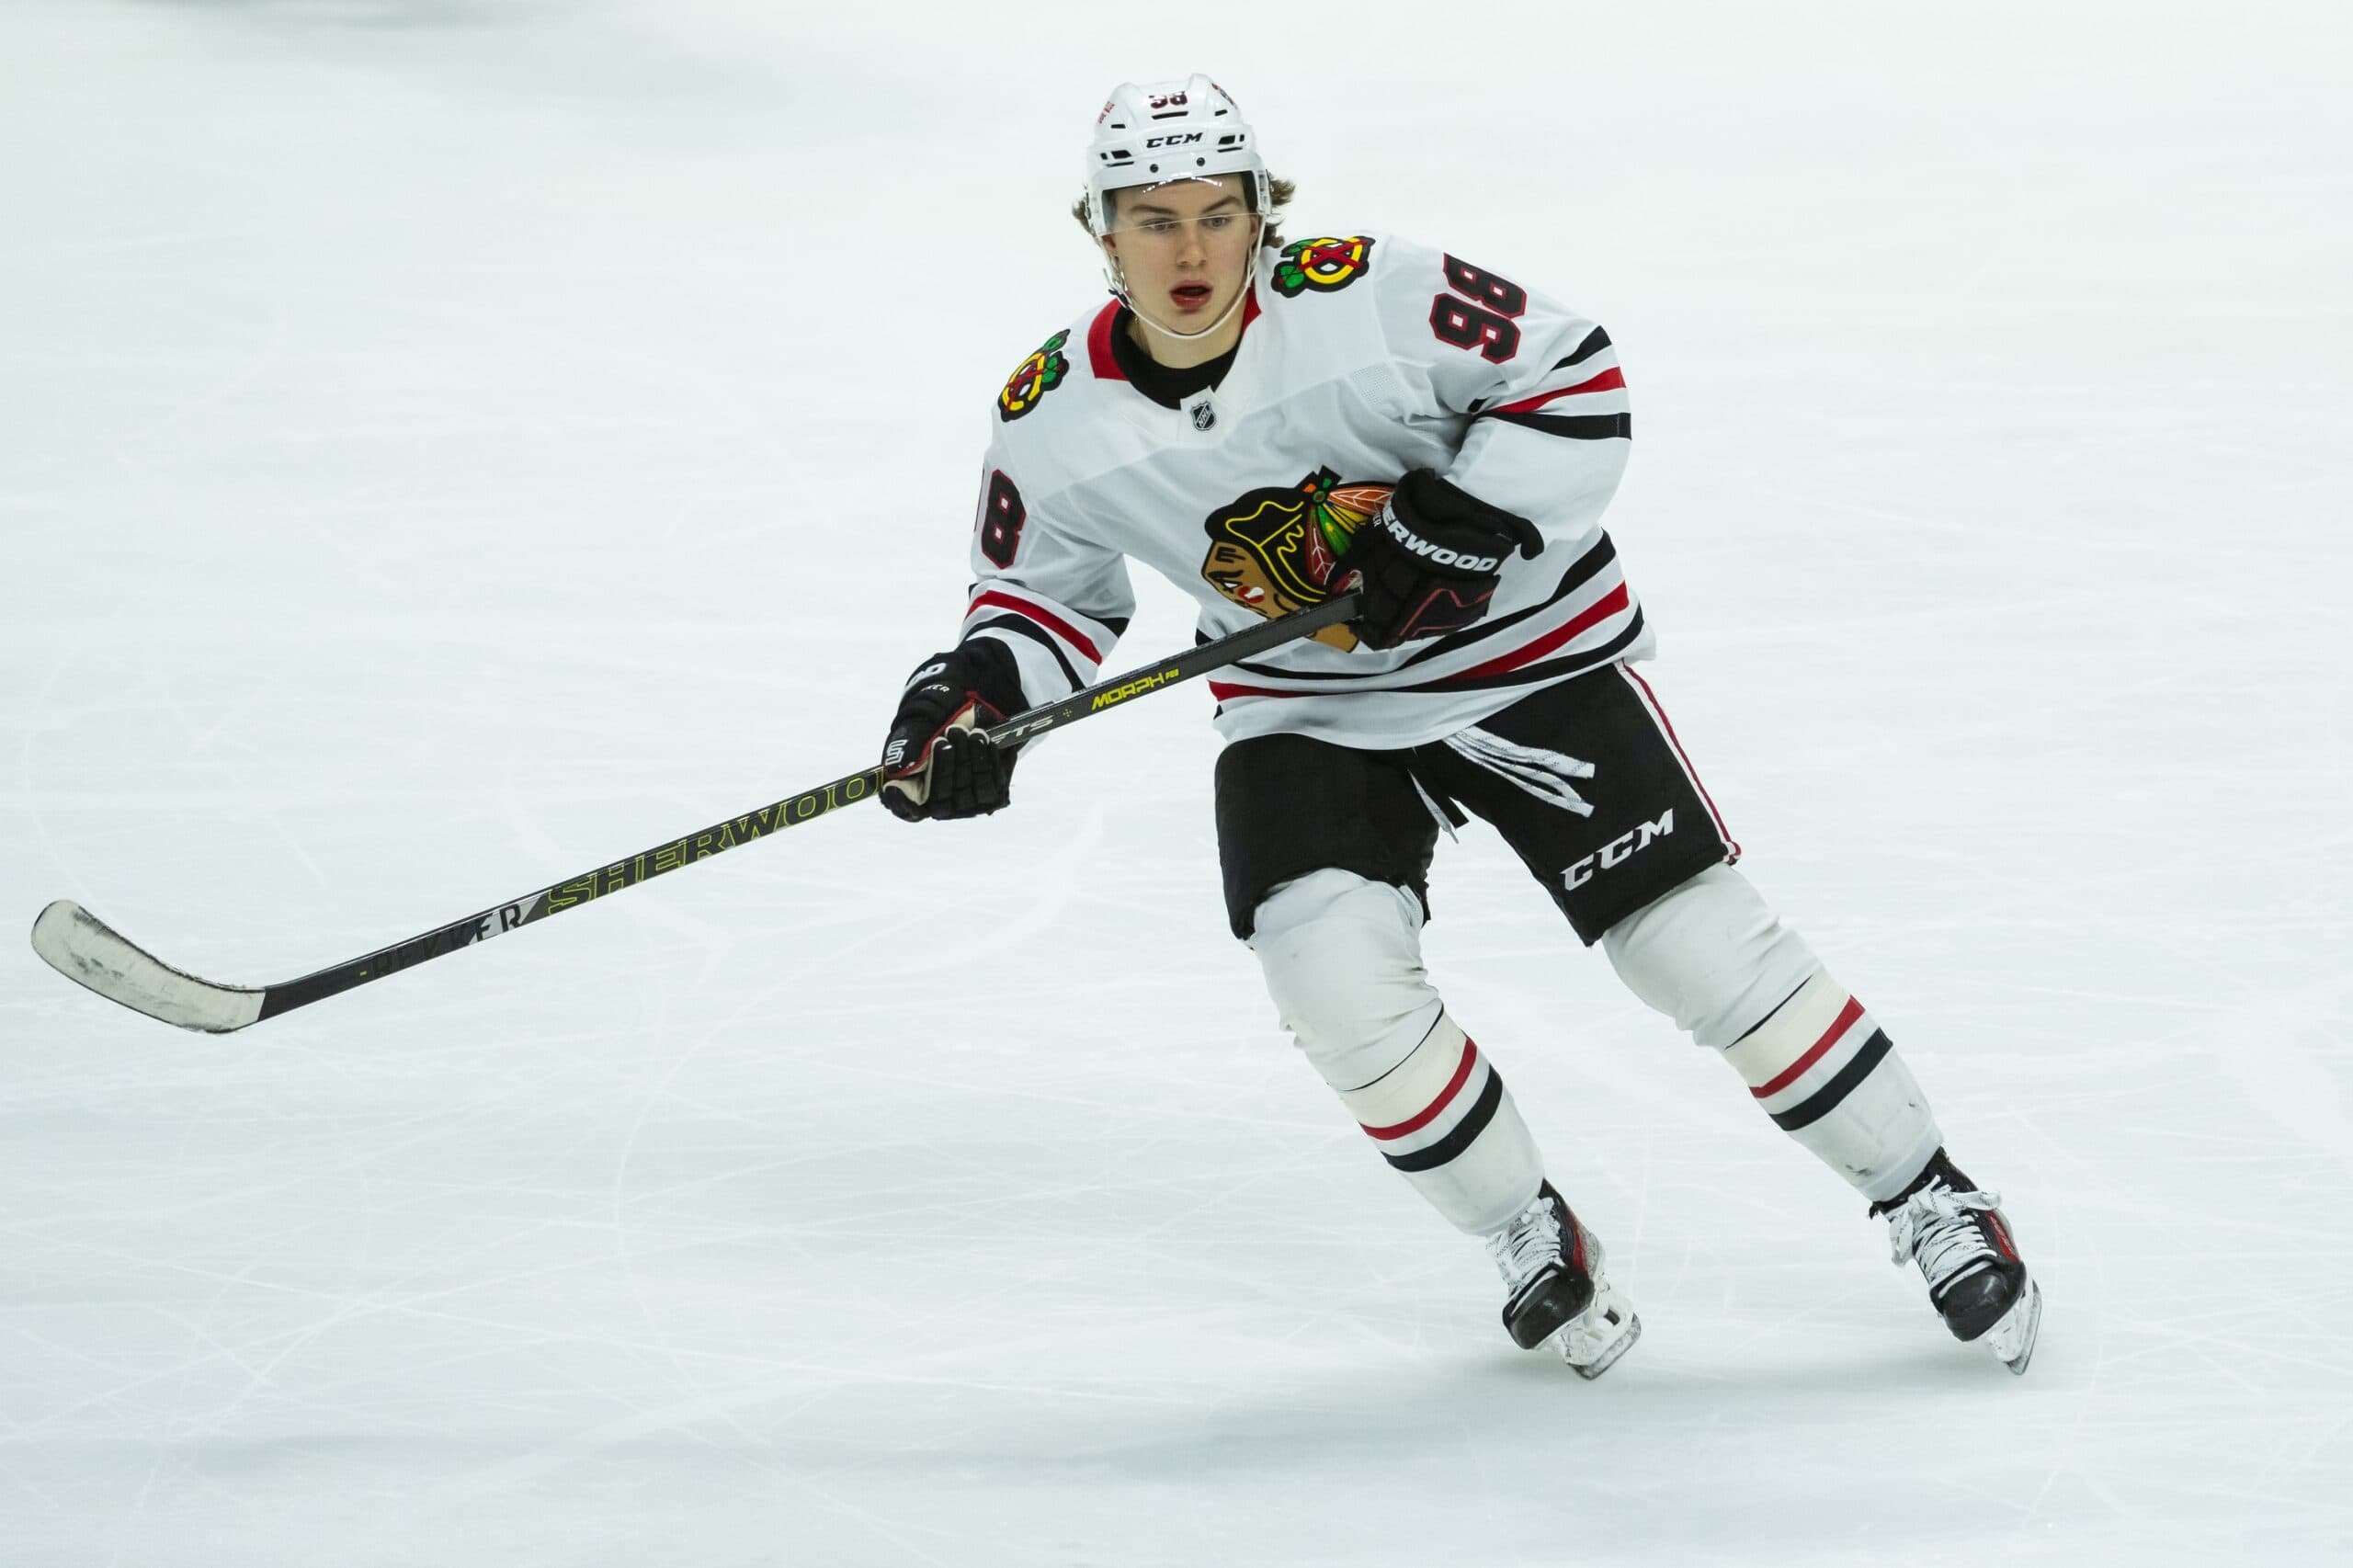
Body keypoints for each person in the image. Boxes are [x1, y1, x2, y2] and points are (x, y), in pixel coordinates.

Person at [876, 75, 2041, 1378]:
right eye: (1154, 220)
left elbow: (1573, 371)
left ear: (1264, 211)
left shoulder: (1366, 295)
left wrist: (1468, 523)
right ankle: (1526, 1230)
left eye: (1218, 213)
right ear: (1101, 231)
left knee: (1693, 946)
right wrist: (975, 700)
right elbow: (1037, 598)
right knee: (1331, 984)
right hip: (1308, 707)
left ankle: (1930, 1193)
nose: (1191, 250)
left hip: (1523, 655)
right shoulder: (1051, 416)